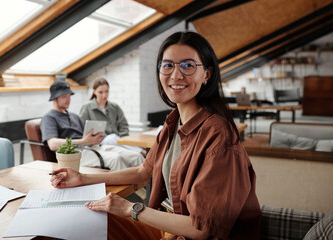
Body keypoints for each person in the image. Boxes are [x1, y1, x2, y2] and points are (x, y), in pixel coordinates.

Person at [50, 32, 261, 239]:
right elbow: (143, 172)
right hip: (170, 225)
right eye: (168, 65)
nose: (176, 75)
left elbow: (200, 230)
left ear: (207, 73)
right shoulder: (173, 121)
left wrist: (131, 208)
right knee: (72, 225)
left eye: (188, 65)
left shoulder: (218, 135)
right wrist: (83, 178)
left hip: (188, 233)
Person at [40, 80, 144, 171]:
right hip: (75, 154)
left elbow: (85, 137)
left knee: (136, 156)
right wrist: (83, 141)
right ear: (54, 99)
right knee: (115, 159)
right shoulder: (49, 118)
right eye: (63, 97)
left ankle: (150, 190)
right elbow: (53, 144)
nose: (68, 100)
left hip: (92, 147)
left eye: (69, 96)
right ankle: (135, 193)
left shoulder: (74, 116)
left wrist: (94, 139)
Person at [79, 77, 145, 155]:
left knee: (114, 138)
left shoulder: (115, 107)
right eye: (100, 92)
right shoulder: (86, 107)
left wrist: (123, 139)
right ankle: (142, 152)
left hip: (117, 140)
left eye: (106, 91)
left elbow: (123, 125)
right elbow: (81, 128)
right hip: (99, 142)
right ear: (94, 92)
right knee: (112, 138)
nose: (104, 95)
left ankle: (138, 152)